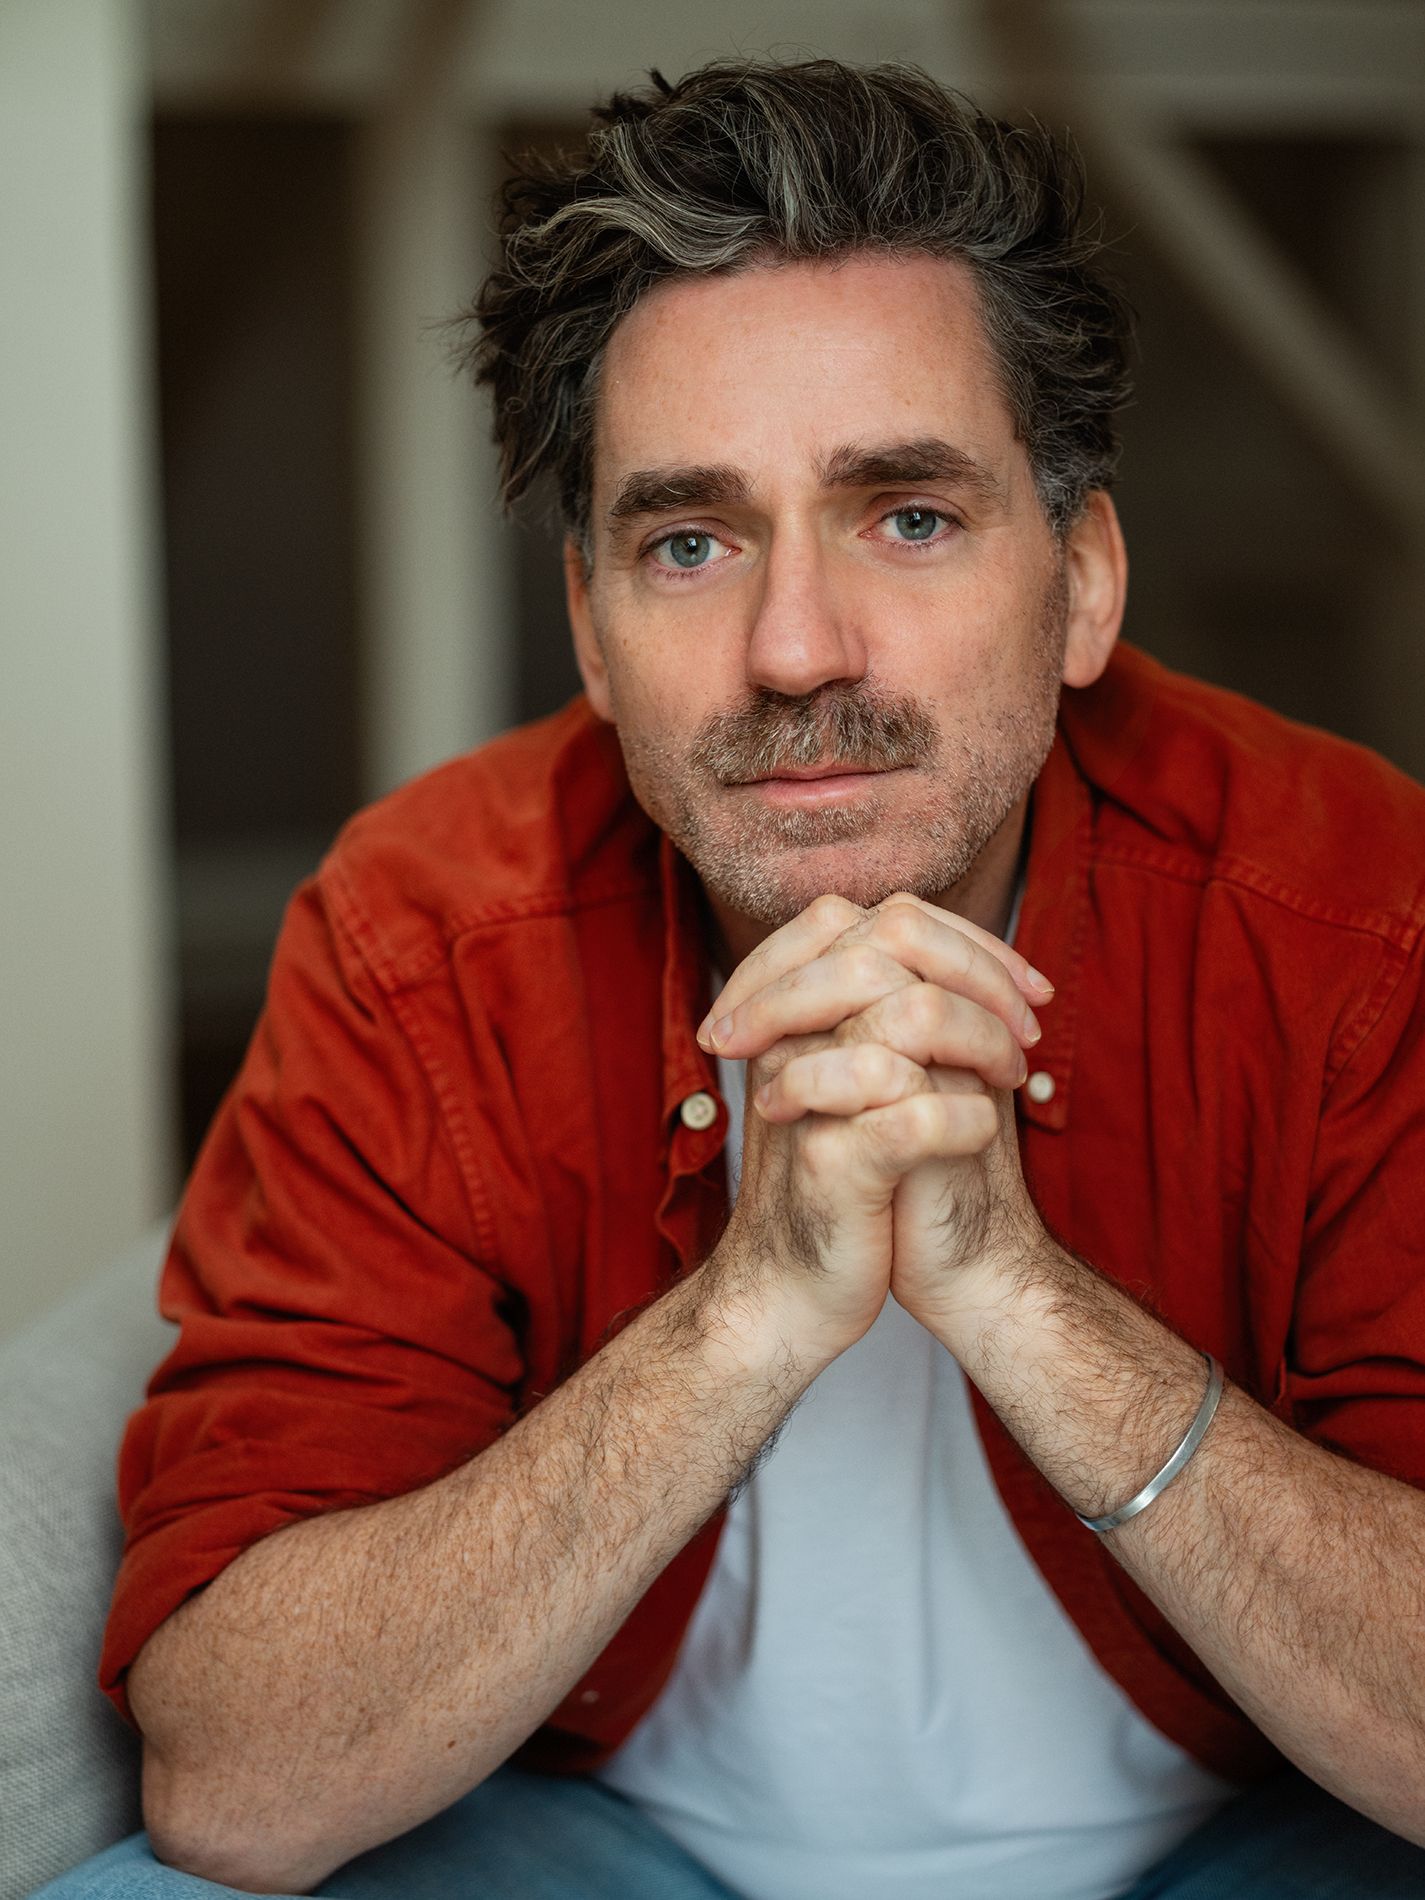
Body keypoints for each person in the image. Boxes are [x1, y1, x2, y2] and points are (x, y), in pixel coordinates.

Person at [40, 59, 1425, 1900]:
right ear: (590, 632)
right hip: (596, 1853)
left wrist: (1016, 1297)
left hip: (1255, 1848)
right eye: (688, 543)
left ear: (1083, 581)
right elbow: (236, 1786)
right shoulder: (424, 934)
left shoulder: (1355, 914)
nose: (792, 649)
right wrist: (748, 1313)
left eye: (907, 515)